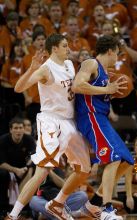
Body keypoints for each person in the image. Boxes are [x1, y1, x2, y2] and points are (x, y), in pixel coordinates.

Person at [5, 33, 93, 220]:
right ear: (54, 48)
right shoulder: (46, 69)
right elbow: (18, 88)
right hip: (51, 121)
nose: (68, 48)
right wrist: (30, 69)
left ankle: (56, 204)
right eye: (64, 45)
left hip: (70, 121)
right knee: (42, 171)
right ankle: (12, 216)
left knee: (85, 169)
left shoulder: (69, 64)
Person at [71, 35, 134, 220]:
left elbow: (95, 92)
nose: (118, 57)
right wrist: (107, 90)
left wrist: (110, 93)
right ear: (110, 51)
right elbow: (77, 85)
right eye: (117, 53)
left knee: (126, 160)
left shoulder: (106, 73)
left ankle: (92, 205)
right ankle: (106, 210)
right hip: (91, 117)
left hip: (101, 118)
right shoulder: (91, 63)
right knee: (113, 158)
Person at [0, 117, 36, 215]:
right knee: (2, 174)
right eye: (15, 128)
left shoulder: (29, 140)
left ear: (24, 130)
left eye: (20, 128)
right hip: (8, 169)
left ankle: (28, 208)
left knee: (36, 172)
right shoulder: (3, 140)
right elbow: (1, 163)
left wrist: (27, 170)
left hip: (24, 169)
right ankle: (3, 208)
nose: (18, 131)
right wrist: (16, 170)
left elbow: (33, 158)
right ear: (10, 130)